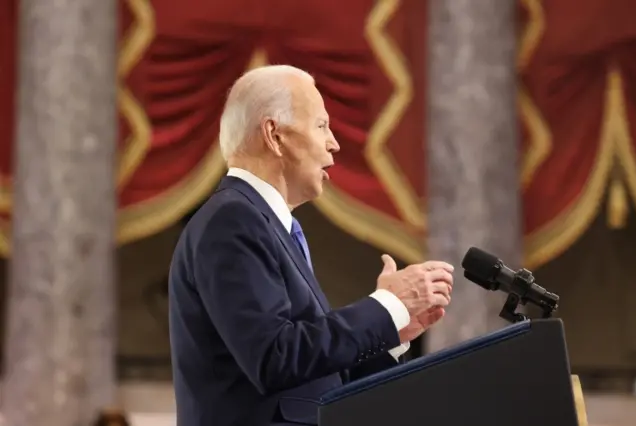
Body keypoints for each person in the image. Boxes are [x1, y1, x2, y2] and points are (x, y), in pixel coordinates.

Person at [169, 65, 454, 426]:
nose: (333, 142)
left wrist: (390, 330)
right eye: (321, 125)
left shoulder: (267, 224)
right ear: (274, 135)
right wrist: (384, 306)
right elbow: (275, 357)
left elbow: (311, 376)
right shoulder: (232, 221)